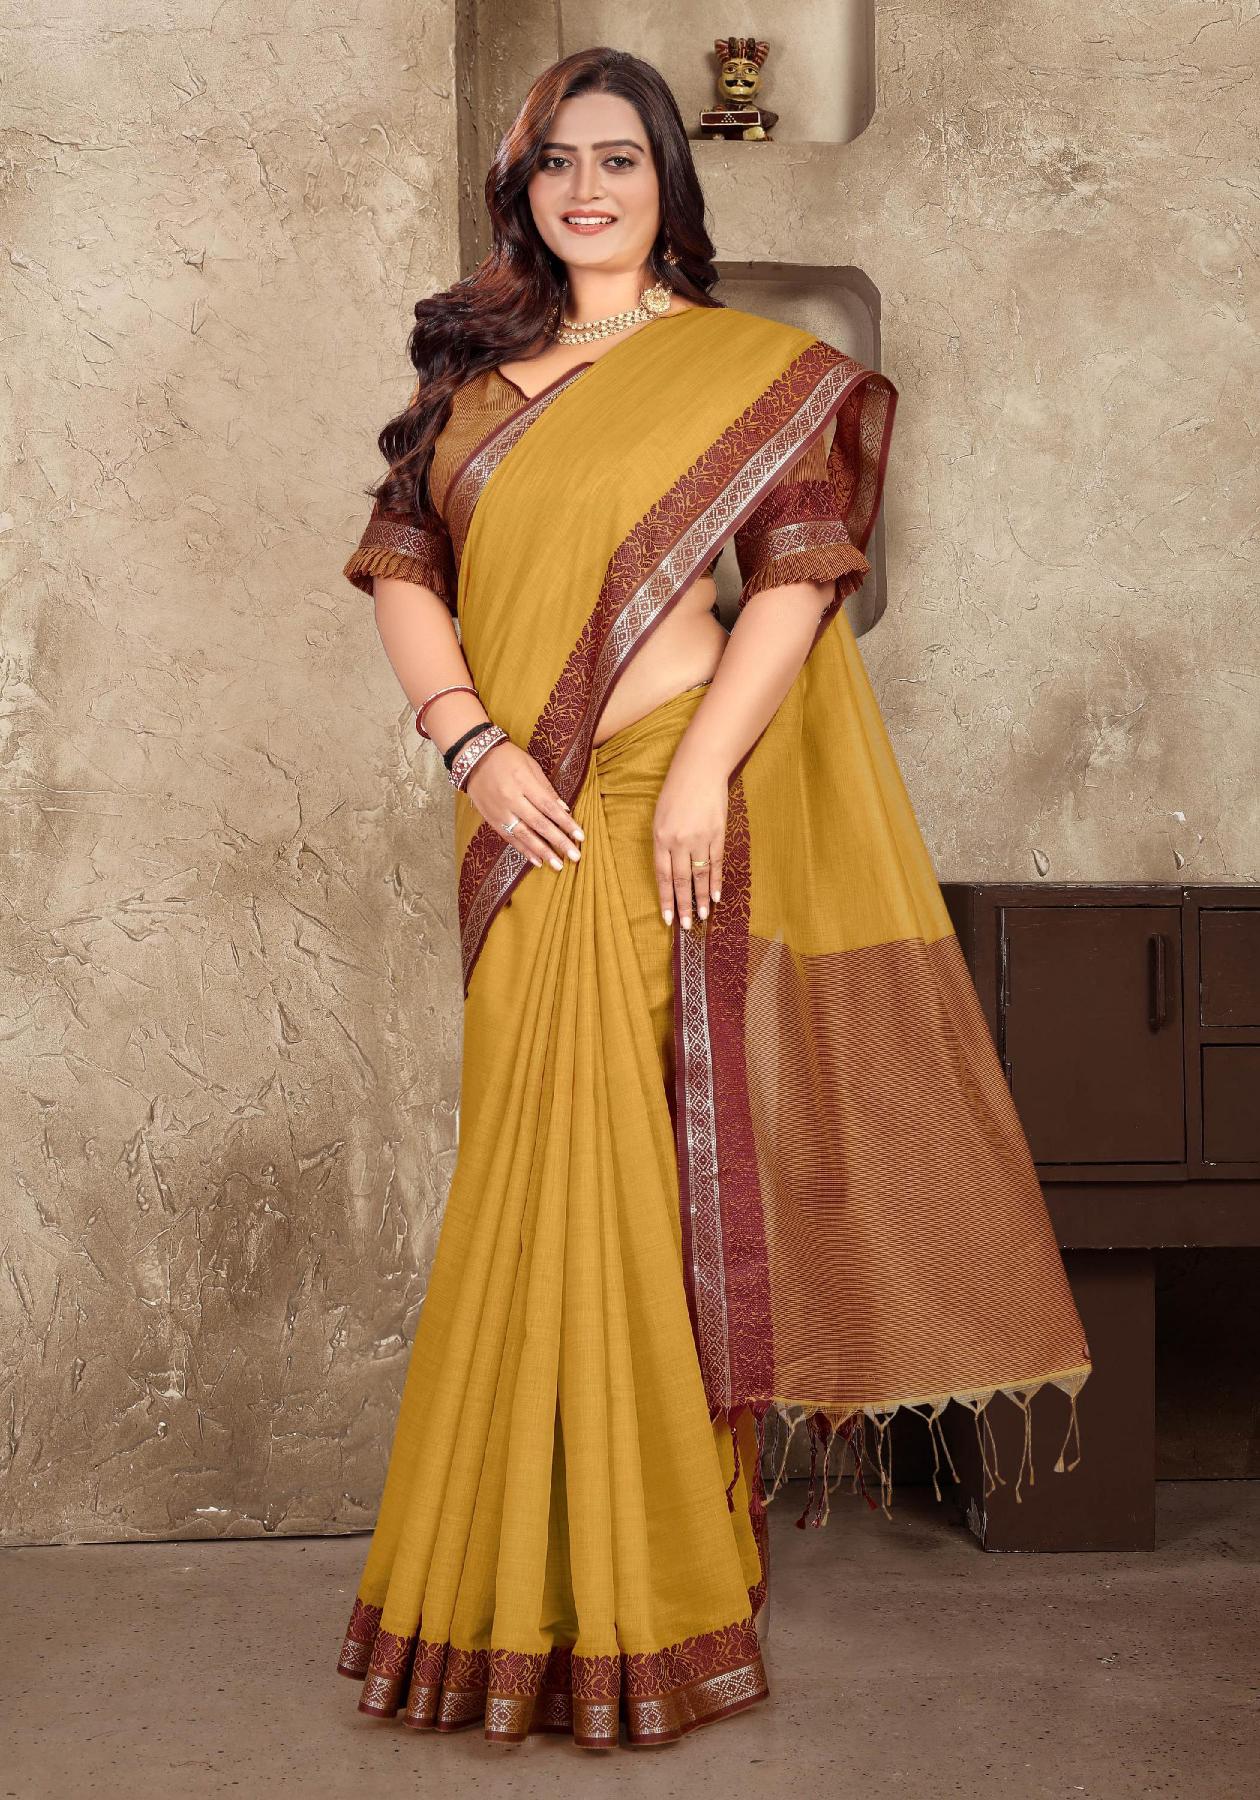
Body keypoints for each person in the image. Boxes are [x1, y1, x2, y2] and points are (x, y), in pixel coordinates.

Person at [334, 46, 1092, 1752]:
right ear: (522, 191)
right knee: (532, 1180)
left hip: (666, 805)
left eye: (618, 158)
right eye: (555, 162)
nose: (586, 188)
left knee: (640, 1180)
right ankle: (506, 1594)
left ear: (669, 180)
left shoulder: (747, 372)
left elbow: (800, 579)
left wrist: (698, 775)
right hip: (522, 815)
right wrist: (469, 746)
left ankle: (652, 1595)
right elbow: (401, 568)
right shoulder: (476, 388)